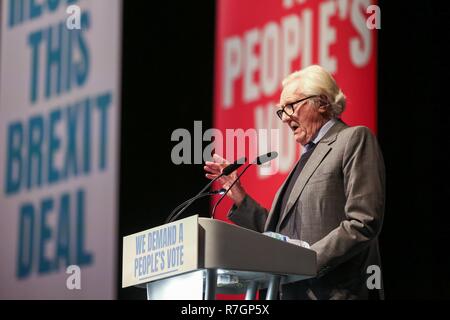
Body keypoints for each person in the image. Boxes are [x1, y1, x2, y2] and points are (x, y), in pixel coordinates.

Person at [204, 65, 386, 300]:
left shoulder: (352, 139)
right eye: (281, 111)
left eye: (291, 106)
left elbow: (364, 222)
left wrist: (306, 261)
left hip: (334, 293)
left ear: (322, 102)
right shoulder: (306, 158)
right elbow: (278, 239)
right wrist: (240, 197)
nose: (285, 117)